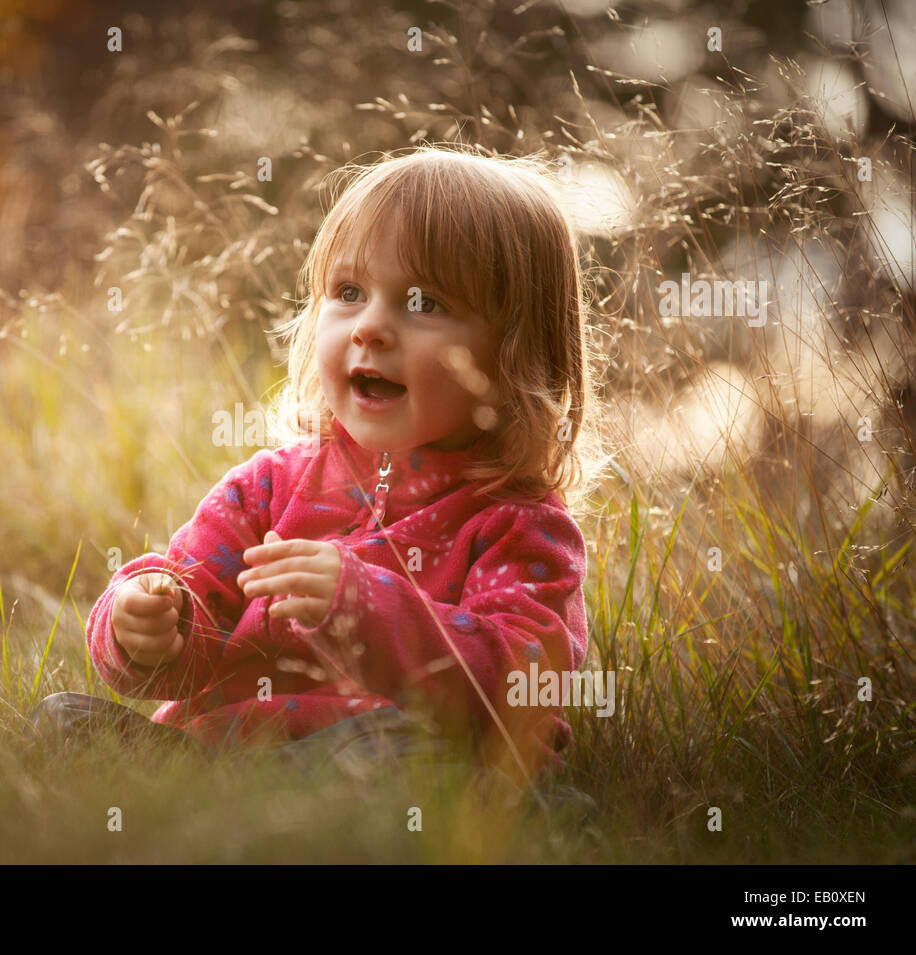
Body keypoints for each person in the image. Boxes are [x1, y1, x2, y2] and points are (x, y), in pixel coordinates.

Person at [30, 144, 605, 810]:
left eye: (423, 302)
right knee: (64, 720)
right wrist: (146, 619)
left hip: (381, 754)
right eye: (349, 293)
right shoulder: (271, 486)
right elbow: (189, 601)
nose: (372, 327)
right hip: (220, 754)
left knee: (395, 752)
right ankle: (229, 806)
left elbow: (520, 690)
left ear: (513, 354)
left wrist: (364, 606)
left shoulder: (517, 525)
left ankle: (502, 811)